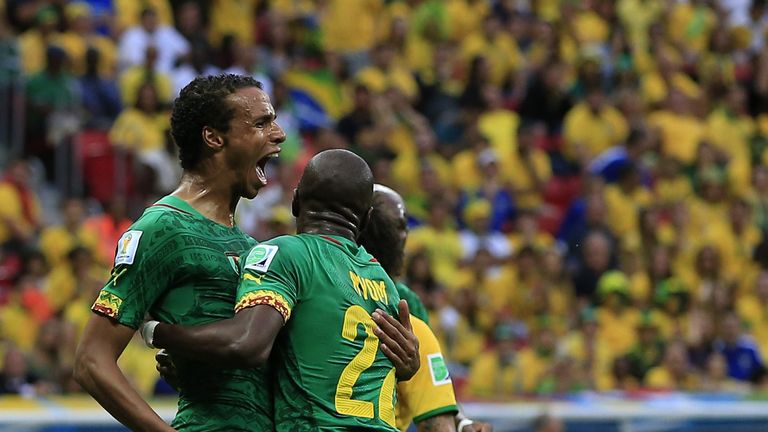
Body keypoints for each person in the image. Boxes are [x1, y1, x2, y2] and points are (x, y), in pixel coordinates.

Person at [144, 149, 420, 431]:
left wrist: (158, 332)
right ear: (366, 217)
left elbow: (246, 345)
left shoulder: (285, 253)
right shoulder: (382, 281)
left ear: (296, 200)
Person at [74, 74, 285, 432]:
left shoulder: (249, 245)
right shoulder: (162, 228)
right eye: (261, 123)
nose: (279, 134)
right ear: (213, 137)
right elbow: (91, 361)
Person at [360, 184, 493, 432]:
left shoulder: (408, 300)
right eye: (400, 225)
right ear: (368, 227)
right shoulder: (403, 306)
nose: (407, 234)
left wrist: (462, 421)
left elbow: (435, 382)